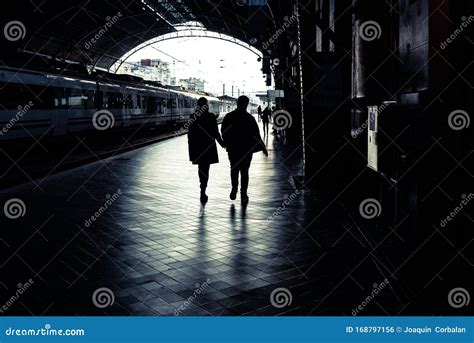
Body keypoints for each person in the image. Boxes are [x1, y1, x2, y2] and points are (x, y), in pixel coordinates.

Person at [221, 96, 268, 205]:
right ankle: (243, 194)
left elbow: (223, 131)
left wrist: (227, 143)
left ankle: (234, 189)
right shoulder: (249, 118)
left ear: (237, 103)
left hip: (233, 149)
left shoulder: (229, 116)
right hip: (246, 149)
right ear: (246, 104)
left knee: (234, 169)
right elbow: (256, 134)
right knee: (245, 172)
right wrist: (262, 147)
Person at [188, 97, 225, 204]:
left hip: (197, 147)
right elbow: (215, 133)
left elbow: (190, 135)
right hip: (208, 147)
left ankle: (202, 188)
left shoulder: (193, 117)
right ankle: (203, 188)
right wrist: (222, 144)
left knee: (201, 168)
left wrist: (191, 149)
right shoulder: (211, 117)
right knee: (205, 169)